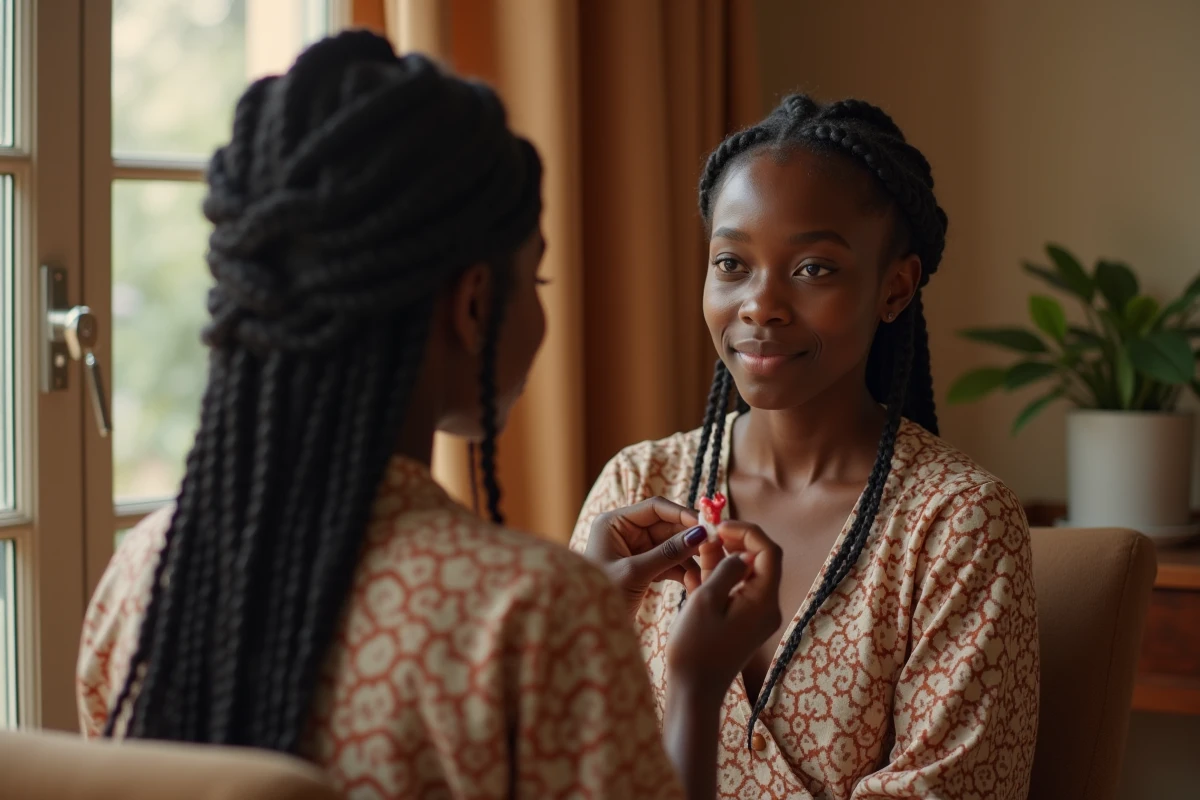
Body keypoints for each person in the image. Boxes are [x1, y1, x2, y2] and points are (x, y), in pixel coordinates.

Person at [76, 31, 784, 800]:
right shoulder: (528, 616)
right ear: (474, 303)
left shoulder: (145, 573)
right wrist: (697, 684)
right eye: (537, 277)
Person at [572, 95, 1039, 799]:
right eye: (731, 263)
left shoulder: (957, 523)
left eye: (814, 268)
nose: (761, 303)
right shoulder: (636, 483)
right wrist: (573, 637)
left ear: (895, 287)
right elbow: (551, 764)